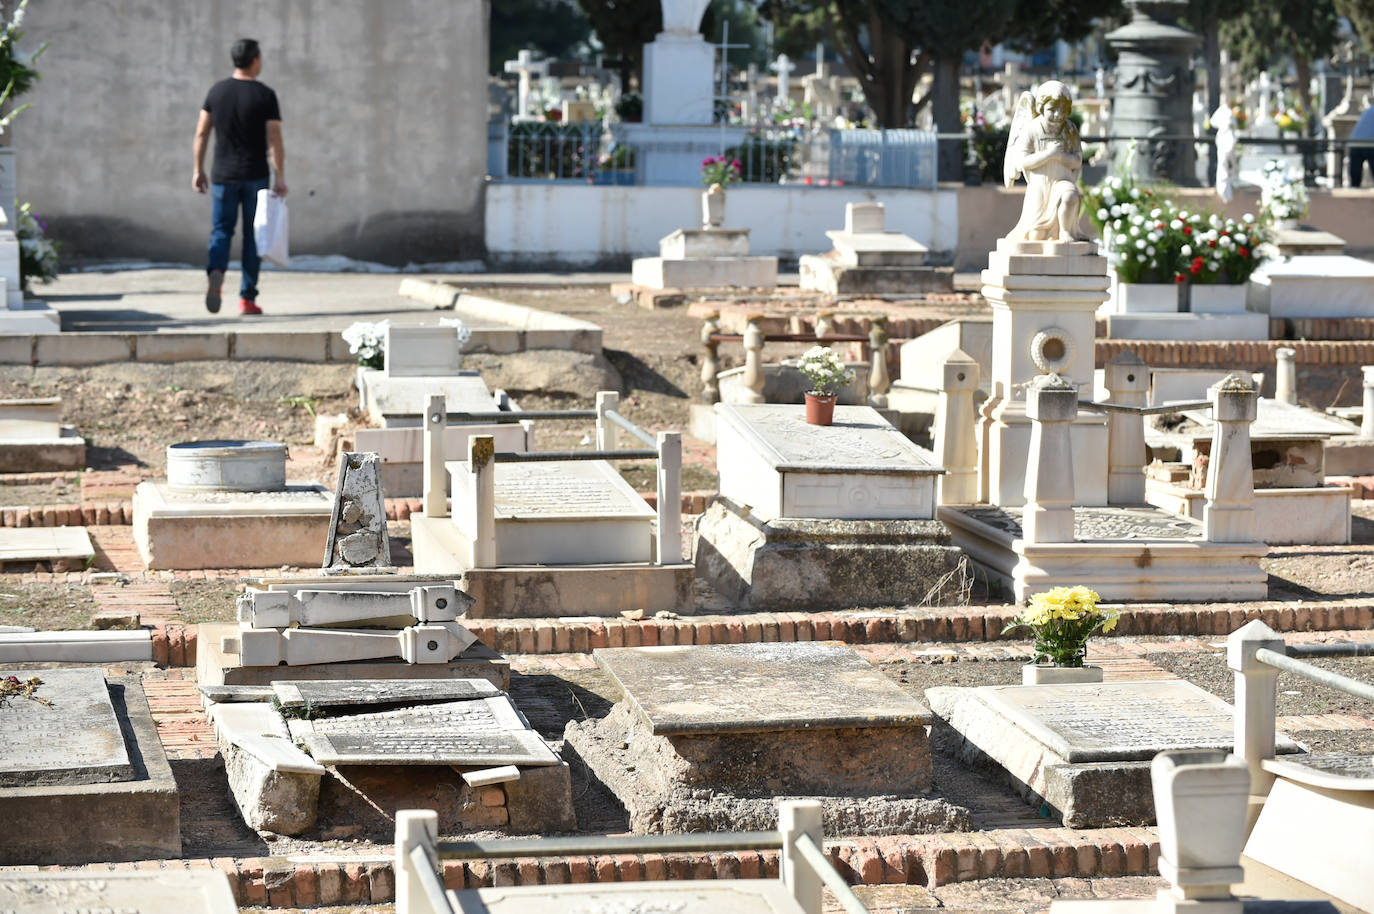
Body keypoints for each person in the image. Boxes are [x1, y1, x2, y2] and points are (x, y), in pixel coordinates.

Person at [192, 38, 287, 316]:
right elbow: (274, 137)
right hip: (256, 176)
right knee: (253, 237)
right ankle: (247, 298)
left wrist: (198, 169)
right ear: (255, 60)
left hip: (223, 176)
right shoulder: (265, 95)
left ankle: (217, 271)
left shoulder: (216, 92)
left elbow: (201, 132)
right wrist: (280, 176)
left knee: (221, 231)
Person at [1004, 80, 1086, 243]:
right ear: (1041, 108)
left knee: (1070, 195)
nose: (1058, 115)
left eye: (1063, 111)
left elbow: (1077, 160)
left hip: (1062, 180)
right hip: (1040, 185)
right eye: (1052, 110)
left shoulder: (1070, 130)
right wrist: (1049, 154)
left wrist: (1061, 157)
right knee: (1037, 237)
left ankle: (1065, 231)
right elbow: (1023, 162)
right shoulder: (1032, 129)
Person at [1350, 103, 1374, 189]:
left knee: (1355, 177)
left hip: (1355, 142)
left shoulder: (1368, 110)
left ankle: (1353, 192)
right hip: (1369, 144)